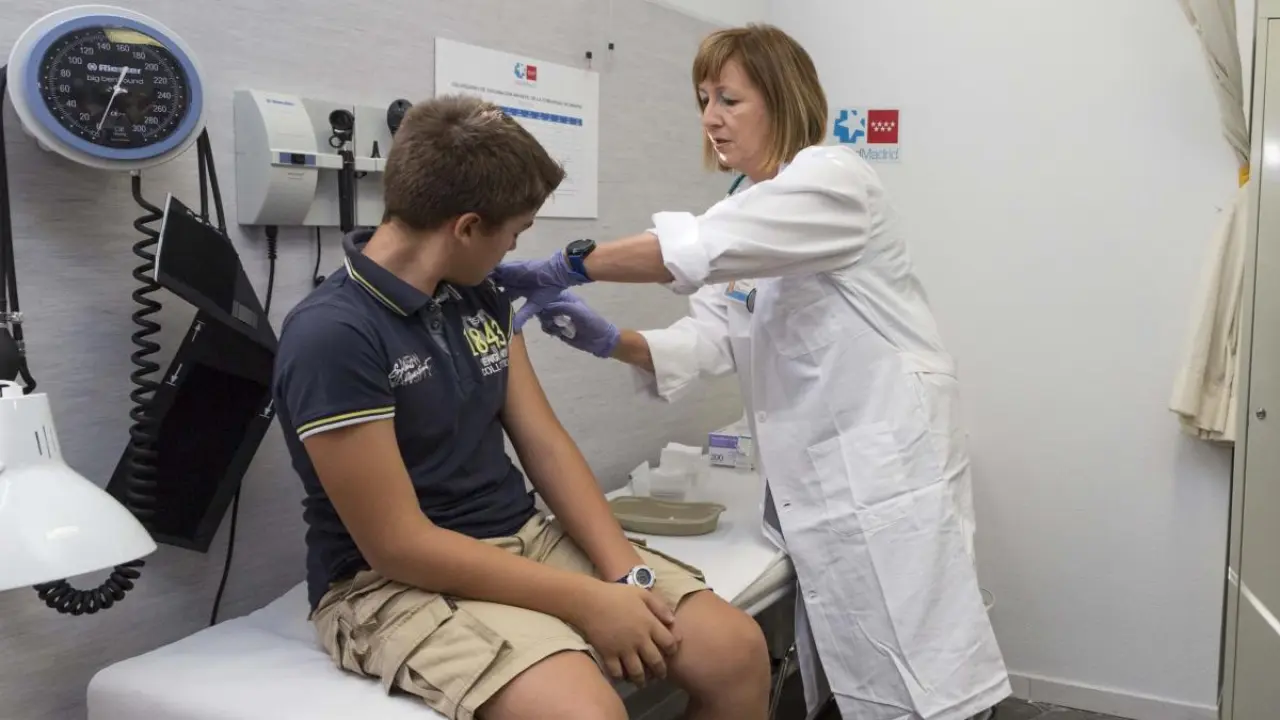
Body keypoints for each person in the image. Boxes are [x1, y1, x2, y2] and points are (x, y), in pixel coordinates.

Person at [494, 24, 1012, 720]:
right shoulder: (745, 207)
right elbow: (711, 339)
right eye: (703, 100)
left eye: (729, 99)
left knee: (926, 680)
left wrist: (568, 264)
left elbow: (692, 251)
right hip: (822, 483)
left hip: (884, 472)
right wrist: (612, 341)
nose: (710, 118)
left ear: (782, 99)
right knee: (866, 677)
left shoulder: (831, 180)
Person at [271, 94, 771, 720]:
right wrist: (585, 602)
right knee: (586, 715)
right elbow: (397, 544)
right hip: (388, 579)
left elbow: (544, 443)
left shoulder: (477, 294)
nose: (512, 249)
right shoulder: (333, 335)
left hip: (523, 535)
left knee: (735, 653)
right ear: (466, 228)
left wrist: (625, 575)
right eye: (515, 232)